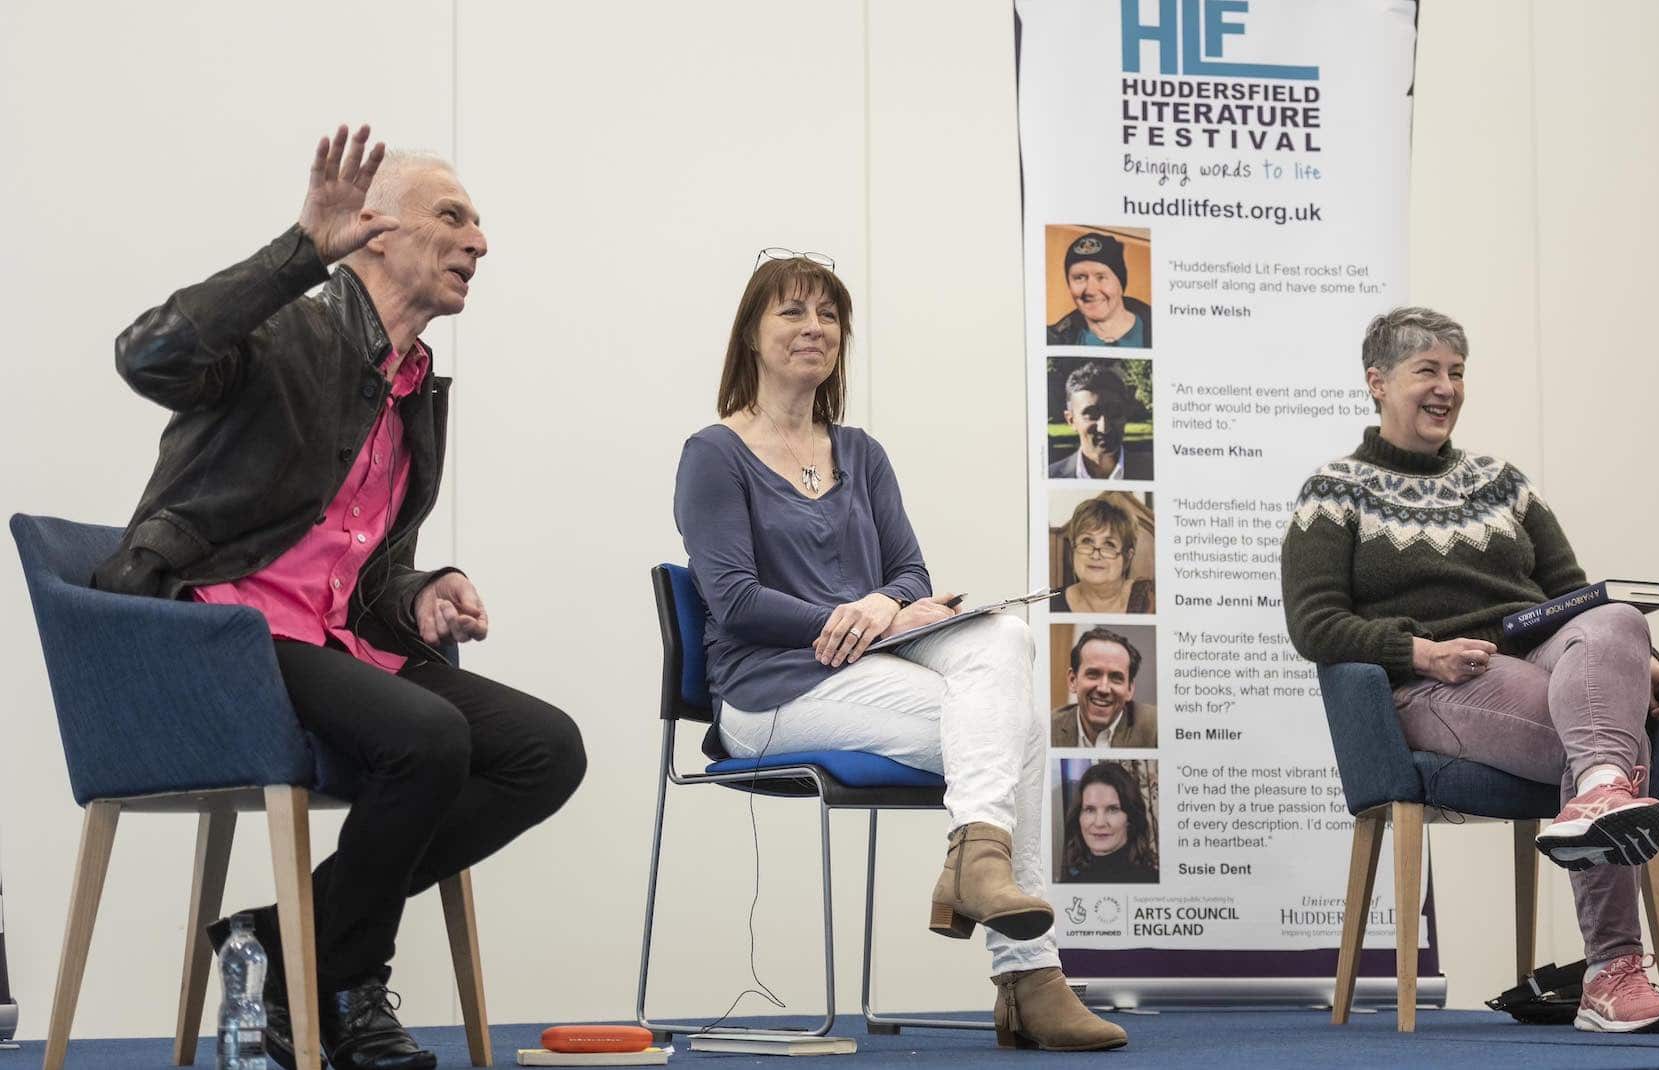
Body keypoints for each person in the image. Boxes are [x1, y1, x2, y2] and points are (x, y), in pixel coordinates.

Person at [97, 125, 587, 1070]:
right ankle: (348, 986)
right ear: (375, 231)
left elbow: (359, 570)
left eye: (479, 223)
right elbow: (146, 356)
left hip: (326, 643)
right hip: (221, 634)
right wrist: (297, 253)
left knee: (546, 751)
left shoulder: (412, 392)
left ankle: (279, 942)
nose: (480, 241)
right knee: (427, 738)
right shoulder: (288, 334)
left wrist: (421, 592)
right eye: (453, 216)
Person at [673, 251, 1125, 1052]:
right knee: (1018, 730)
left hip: (867, 676)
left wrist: (883, 604)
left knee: (1006, 635)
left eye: (828, 315)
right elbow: (735, 599)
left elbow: (909, 572)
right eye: (792, 311)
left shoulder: (862, 453)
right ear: (749, 334)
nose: (814, 328)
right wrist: (856, 618)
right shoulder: (714, 454)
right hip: (766, 695)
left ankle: (979, 865)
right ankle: (1028, 977)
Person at [1281, 306, 1659, 1035]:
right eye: (1427, 371)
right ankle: (1613, 971)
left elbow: (1573, 594)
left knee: (1621, 620)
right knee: (1601, 738)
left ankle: (1599, 792)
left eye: (1457, 372)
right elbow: (1315, 624)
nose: (1447, 388)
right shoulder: (1334, 492)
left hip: (1536, 654)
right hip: (1439, 681)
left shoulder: (1503, 483)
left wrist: (1642, 666)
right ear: (1378, 382)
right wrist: (1421, 652)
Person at [1047, 360, 1152, 480]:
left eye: (1114, 413)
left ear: (1125, 414)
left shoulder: (1153, 471)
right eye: (1091, 415)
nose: (1104, 428)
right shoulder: (1051, 477)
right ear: (1071, 420)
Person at [1051, 628, 1156, 748]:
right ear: (1073, 680)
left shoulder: (1155, 727)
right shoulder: (1049, 728)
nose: (1103, 689)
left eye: (1116, 678)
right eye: (1093, 674)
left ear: (1129, 689)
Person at [1049, 496, 1154, 614]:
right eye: (1087, 541)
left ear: (1127, 556)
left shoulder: (1149, 601)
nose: (1095, 556)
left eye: (1109, 545)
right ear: (1073, 549)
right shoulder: (1049, 604)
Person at [1046, 232, 1151, 348]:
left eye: (1101, 277)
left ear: (1120, 284)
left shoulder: (1160, 328)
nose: (1090, 290)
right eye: (1079, 278)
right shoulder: (1052, 341)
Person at [1060, 763, 1158, 884]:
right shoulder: (1067, 884)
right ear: (1078, 817)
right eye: (1090, 810)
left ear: (1130, 818)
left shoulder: (1153, 881)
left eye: (1112, 809)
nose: (1099, 823)